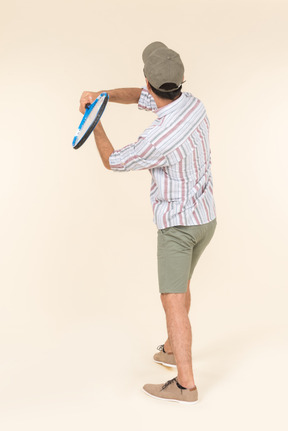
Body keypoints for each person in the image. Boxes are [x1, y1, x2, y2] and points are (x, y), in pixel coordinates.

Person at [79, 41, 217, 404]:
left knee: (172, 299)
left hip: (178, 228)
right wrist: (104, 95)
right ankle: (172, 348)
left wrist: (95, 120)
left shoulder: (158, 138)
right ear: (180, 79)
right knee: (182, 284)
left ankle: (185, 385)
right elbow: (139, 97)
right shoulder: (193, 105)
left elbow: (114, 160)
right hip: (205, 220)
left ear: (149, 80)